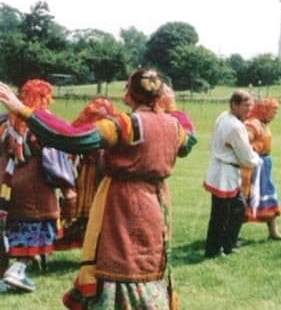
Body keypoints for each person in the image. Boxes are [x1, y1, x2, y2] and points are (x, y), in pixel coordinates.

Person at [0, 69, 196, 308]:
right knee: (147, 259)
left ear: (129, 95)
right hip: (156, 202)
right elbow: (189, 141)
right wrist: (172, 106)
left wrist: (25, 111)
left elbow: (72, 137)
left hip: (122, 203)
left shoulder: (125, 125)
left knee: (118, 259)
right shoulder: (173, 125)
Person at [0, 79, 74, 292]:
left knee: (8, 229)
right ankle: (18, 270)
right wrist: (68, 187)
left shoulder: (5, 121)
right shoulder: (43, 123)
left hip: (6, 182)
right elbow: (55, 158)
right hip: (35, 185)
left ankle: (3, 279)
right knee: (36, 227)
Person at [203, 90, 262, 258]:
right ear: (234, 105)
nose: (249, 109)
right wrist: (258, 160)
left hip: (227, 170)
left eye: (251, 105)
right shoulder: (235, 126)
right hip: (224, 172)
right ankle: (213, 250)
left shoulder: (225, 117)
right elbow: (245, 155)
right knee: (221, 214)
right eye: (245, 105)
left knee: (238, 209)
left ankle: (227, 244)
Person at [54, 98, 116, 252]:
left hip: (92, 173)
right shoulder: (99, 130)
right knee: (90, 211)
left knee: (93, 211)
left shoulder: (94, 130)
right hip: (90, 174)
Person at [241, 97, 281, 240]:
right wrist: (256, 149)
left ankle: (273, 232)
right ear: (264, 109)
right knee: (248, 199)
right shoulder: (252, 124)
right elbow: (244, 143)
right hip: (254, 168)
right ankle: (231, 234)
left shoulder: (263, 123)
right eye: (272, 111)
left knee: (269, 197)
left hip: (264, 167)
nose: (274, 115)